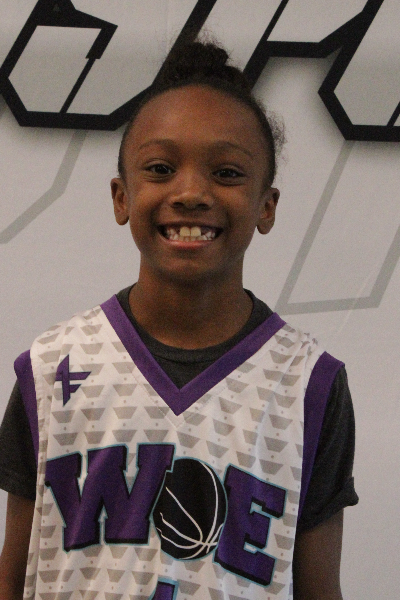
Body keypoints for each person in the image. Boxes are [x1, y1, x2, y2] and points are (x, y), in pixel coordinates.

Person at [0, 39, 357, 600]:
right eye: (161, 169)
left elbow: (320, 589)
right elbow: (13, 577)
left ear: (266, 206)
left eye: (227, 172)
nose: (191, 193)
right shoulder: (51, 368)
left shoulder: (309, 384)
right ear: (121, 197)